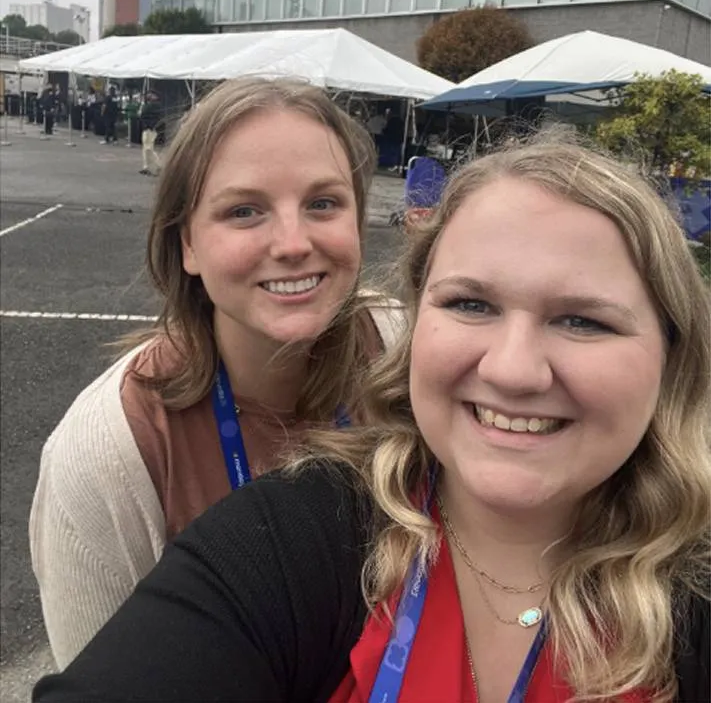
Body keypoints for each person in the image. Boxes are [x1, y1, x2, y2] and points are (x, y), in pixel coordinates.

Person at [33, 129, 710, 703]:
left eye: (582, 319)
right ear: (420, 321)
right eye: (470, 304)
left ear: (671, 354)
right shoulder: (297, 536)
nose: (510, 368)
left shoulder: (694, 580)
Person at [29, 77, 404, 669]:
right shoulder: (106, 455)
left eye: (323, 203)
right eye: (244, 211)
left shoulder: (408, 357)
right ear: (188, 247)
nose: (292, 242)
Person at [138, 89, 162, 175]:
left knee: (148, 148)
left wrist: (142, 107)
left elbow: (142, 113)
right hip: (149, 128)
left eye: (151, 94)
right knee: (145, 148)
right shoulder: (153, 105)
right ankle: (145, 166)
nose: (149, 96)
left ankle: (159, 165)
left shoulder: (154, 105)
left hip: (149, 128)